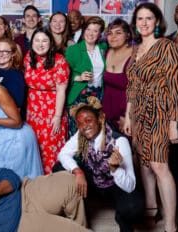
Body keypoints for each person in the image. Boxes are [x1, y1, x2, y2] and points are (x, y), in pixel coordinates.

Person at [122, 3, 178, 232]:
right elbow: (132, 85)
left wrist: (174, 124)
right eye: (140, 18)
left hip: (160, 112)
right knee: (145, 164)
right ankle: (150, 210)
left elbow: (177, 86)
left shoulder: (166, 46)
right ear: (135, 23)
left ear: (157, 21)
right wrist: (129, 117)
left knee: (160, 166)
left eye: (149, 18)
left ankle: (171, 225)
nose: (144, 23)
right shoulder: (136, 49)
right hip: (138, 113)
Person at [57, 96, 143, 232]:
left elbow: (131, 185)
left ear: (100, 119)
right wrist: (78, 172)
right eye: (80, 123)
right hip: (95, 183)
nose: (85, 126)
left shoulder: (119, 141)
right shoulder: (81, 135)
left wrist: (115, 169)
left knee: (134, 208)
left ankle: (122, 219)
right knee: (59, 168)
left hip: (114, 187)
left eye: (88, 120)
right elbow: (62, 154)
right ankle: (81, 213)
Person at [24, 27, 70, 174]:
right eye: (37, 40)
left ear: (51, 43)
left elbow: (61, 91)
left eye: (44, 40)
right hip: (33, 114)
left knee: (50, 150)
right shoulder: (28, 58)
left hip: (52, 113)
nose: (40, 44)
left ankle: (52, 189)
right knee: (34, 149)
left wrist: (57, 117)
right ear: (32, 43)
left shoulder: (59, 61)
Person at [65, 16, 106, 136]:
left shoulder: (103, 48)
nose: (91, 33)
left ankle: (91, 155)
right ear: (84, 31)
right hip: (80, 95)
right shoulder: (74, 50)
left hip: (97, 96)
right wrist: (78, 77)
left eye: (95, 30)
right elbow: (63, 73)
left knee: (95, 132)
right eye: (88, 29)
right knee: (78, 132)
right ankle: (77, 155)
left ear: (100, 34)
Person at [102, 18, 133, 130]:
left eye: (118, 33)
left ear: (128, 35)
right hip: (107, 111)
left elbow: (139, 89)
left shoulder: (136, 54)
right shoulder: (105, 53)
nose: (113, 36)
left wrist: (128, 116)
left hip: (126, 113)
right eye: (110, 33)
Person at [0, 37, 26, 112]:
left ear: (13, 54)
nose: (1, 54)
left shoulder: (16, 76)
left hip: (6, 120)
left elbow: (17, 109)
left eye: (5, 51)